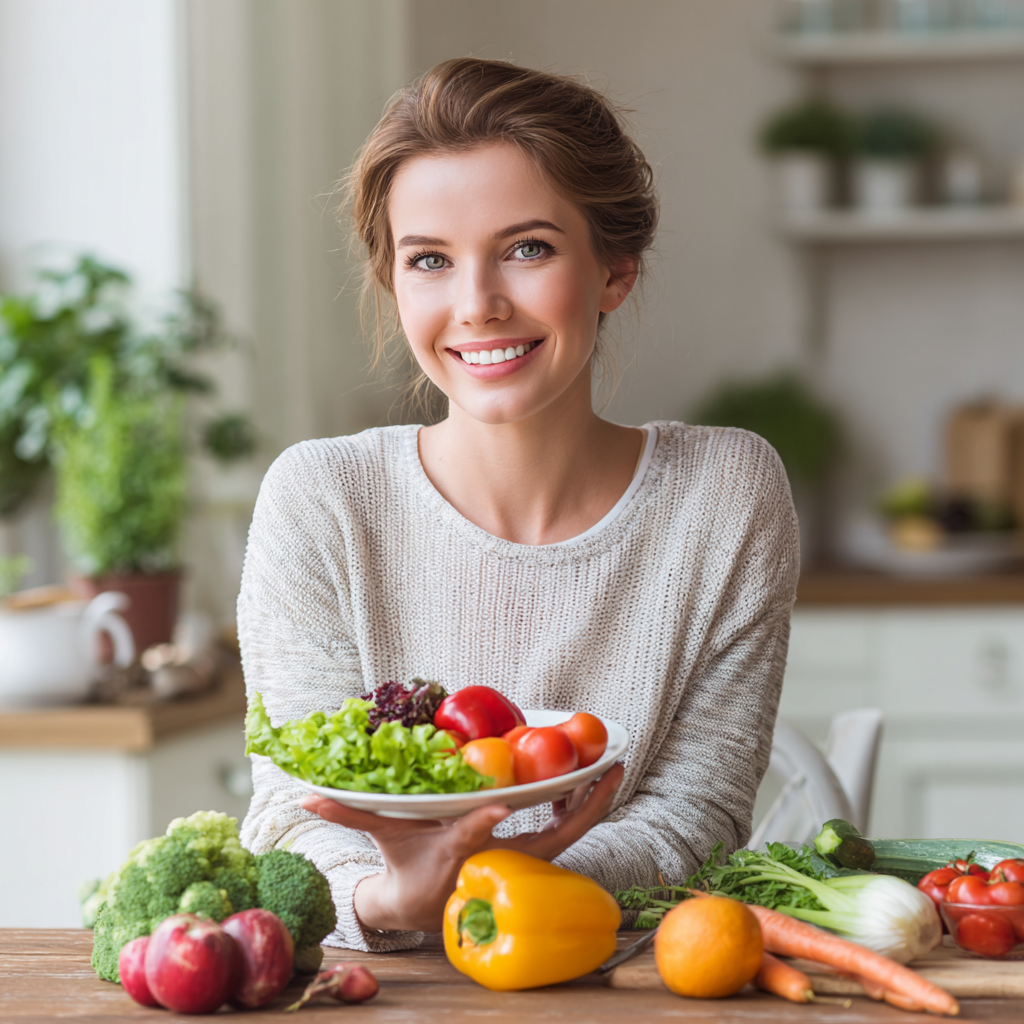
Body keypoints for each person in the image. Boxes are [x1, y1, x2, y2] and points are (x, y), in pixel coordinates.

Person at [238, 57, 799, 952]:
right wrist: (392, 901)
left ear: (616, 271)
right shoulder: (322, 501)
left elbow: (699, 817)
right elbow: (295, 819)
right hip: (381, 990)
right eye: (430, 260)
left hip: (614, 981)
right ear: (395, 284)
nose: (478, 304)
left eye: (527, 248)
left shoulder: (725, 495)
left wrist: (478, 889)